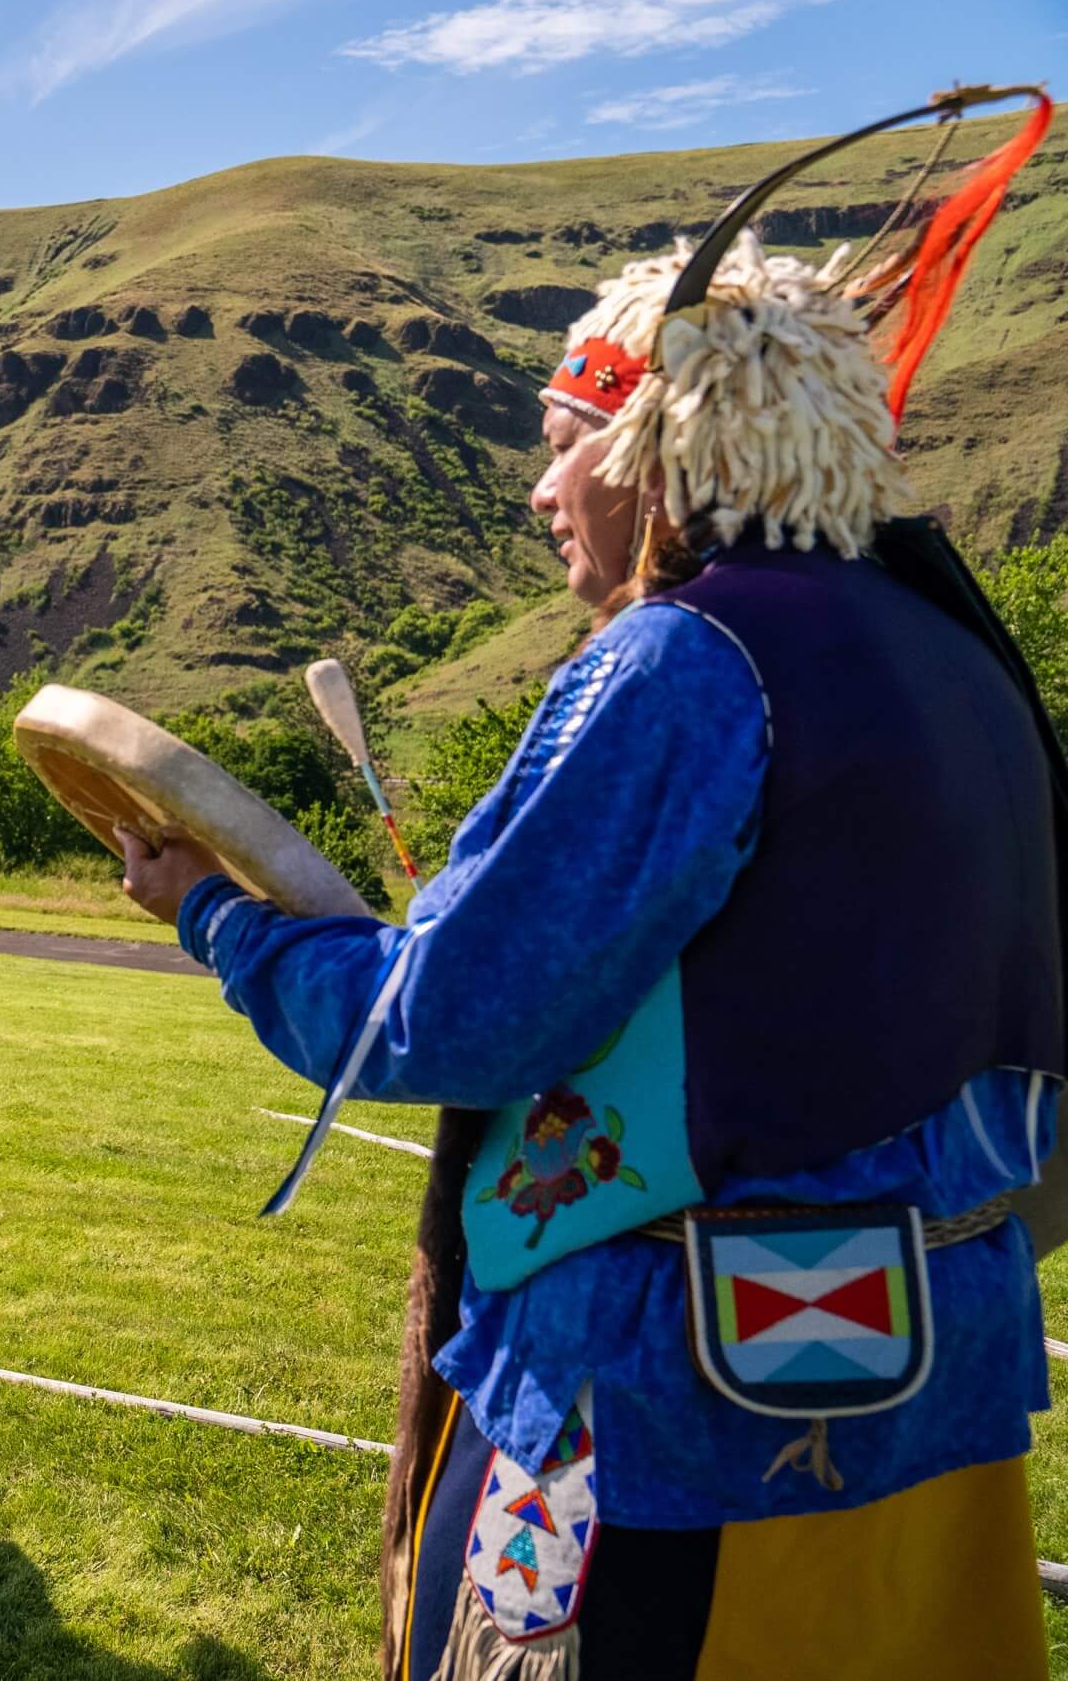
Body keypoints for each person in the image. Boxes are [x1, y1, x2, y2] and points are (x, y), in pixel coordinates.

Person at [120, 96, 1060, 1680]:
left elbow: (454, 1024)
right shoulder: (955, 652)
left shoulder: (687, 663)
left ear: (658, 448)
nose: (543, 494)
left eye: (565, 451)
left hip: (676, 1413)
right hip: (928, 1370)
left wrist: (219, 912)